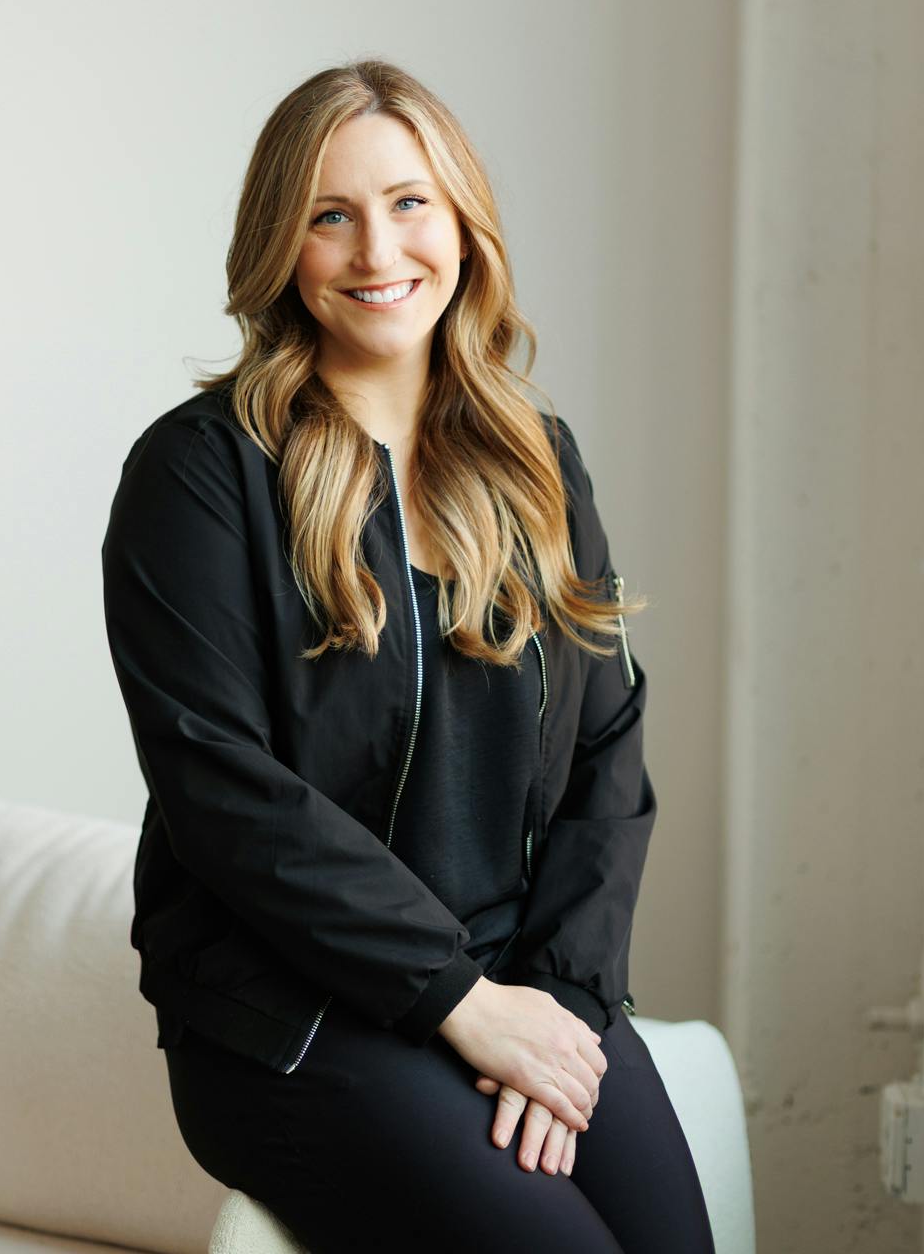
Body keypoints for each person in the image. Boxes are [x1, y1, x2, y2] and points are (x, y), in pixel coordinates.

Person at [101, 60, 715, 1252]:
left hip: (518, 982)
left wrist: (565, 1003)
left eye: (408, 203)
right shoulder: (201, 476)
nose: (378, 248)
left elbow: (607, 751)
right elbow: (225, 793)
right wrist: (461, 1005)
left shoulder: (535, 455)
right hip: (290, 1017)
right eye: (331, 215)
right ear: (284, 245)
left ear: (462, 222)